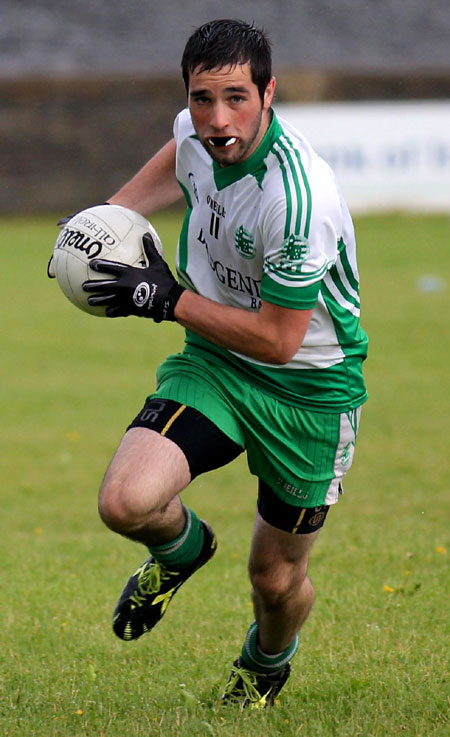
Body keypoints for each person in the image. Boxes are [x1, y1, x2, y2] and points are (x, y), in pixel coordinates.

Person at [78, 19, 368, 708]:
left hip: (308, 390)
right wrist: (90, 232)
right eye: (202, 98)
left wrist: (169, 299)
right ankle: (181, 551)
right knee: (126, 500)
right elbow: (142, 193)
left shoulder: (299, 201)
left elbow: (278, 340)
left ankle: (266, 662)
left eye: (236, 97)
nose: (217, 119)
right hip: (215, 360)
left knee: (274, 578)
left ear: (270, 92)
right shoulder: (194, 133)